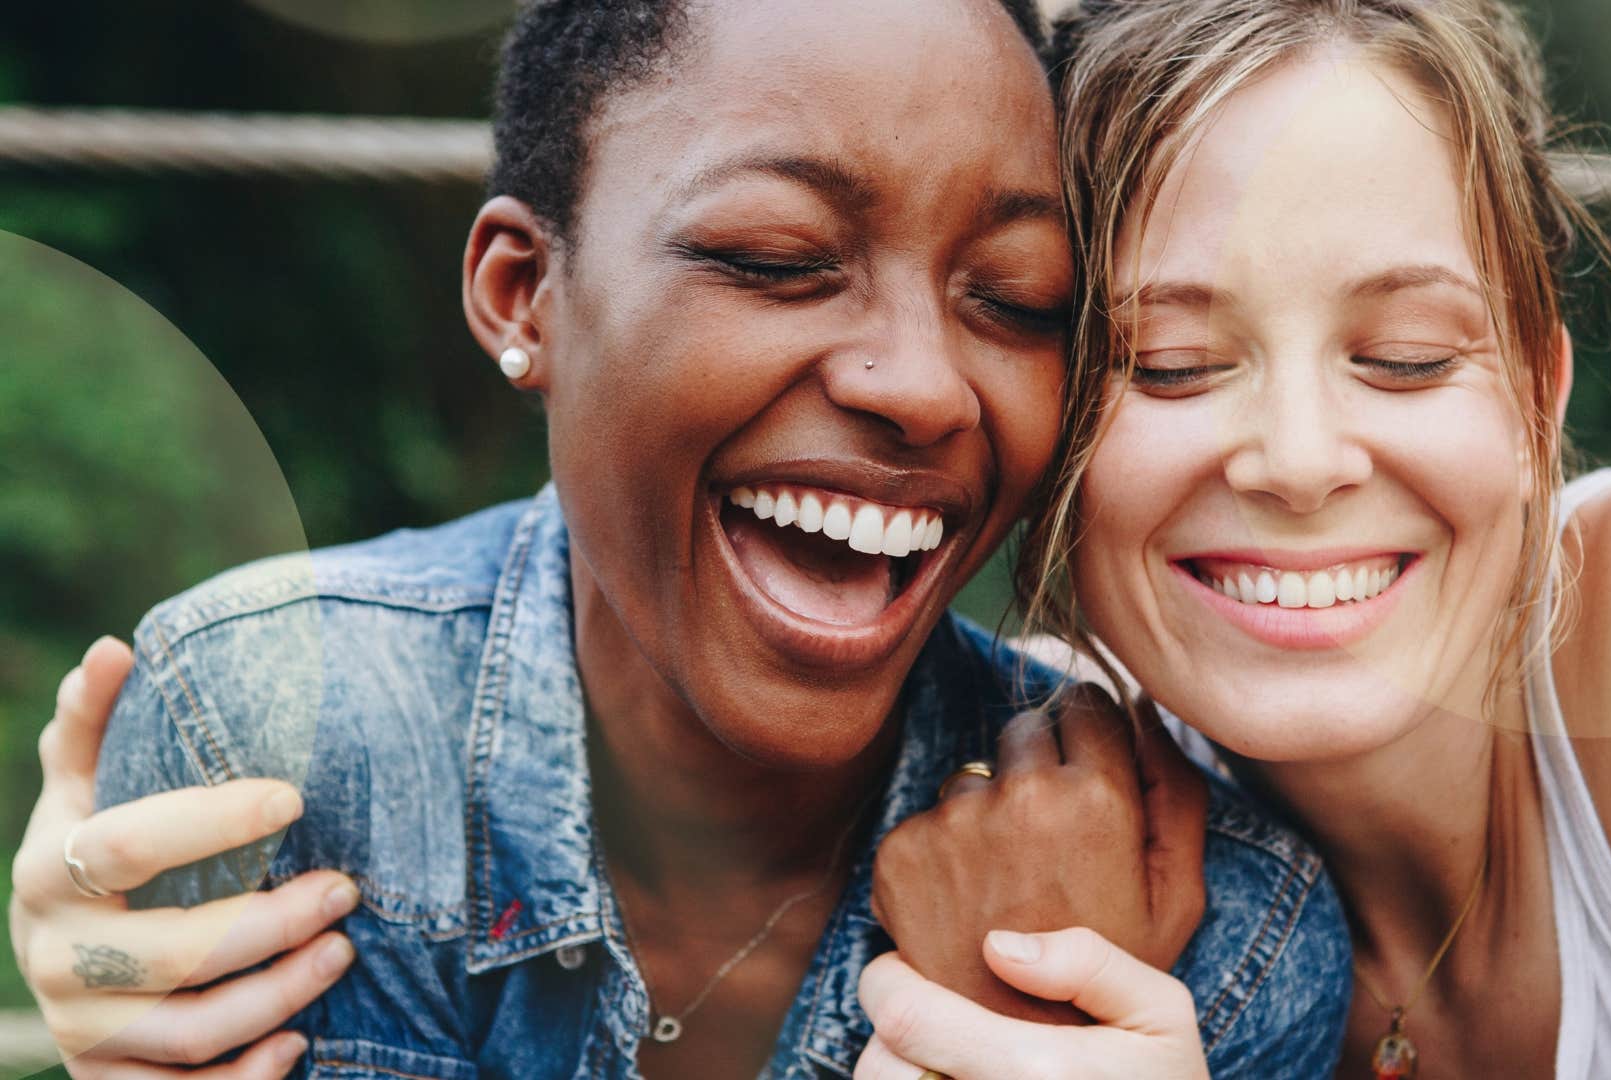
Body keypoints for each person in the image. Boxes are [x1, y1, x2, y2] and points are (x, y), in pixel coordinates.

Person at [6, 2, 1353, 1079]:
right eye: (776, 258)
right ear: (522, 295)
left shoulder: (1218, 936)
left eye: (1017, 298)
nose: (923, 384)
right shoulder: (287, 747)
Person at [847, 0, 1611, 1077]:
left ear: (1538, 404)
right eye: (1173, 363)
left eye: (1405, 358)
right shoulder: (1062, 812)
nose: (1302, 461)